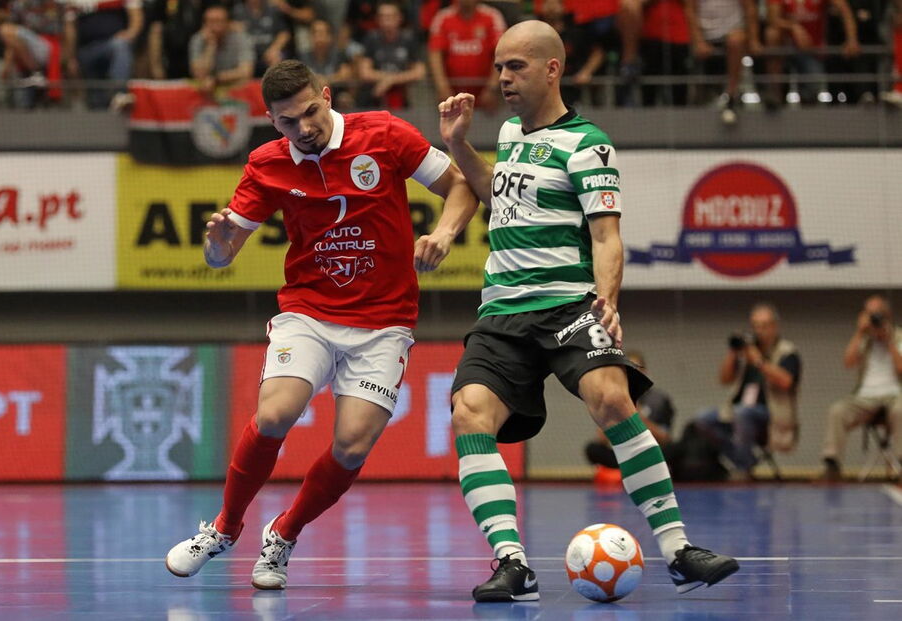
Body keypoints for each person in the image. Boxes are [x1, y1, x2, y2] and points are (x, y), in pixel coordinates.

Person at [438, 19, 739, 602]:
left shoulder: (587, 142)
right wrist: (456, 144)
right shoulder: (507, 134)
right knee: (469, 414)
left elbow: (606, 235)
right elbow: (492, 190)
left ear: (553, 69)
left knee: (610, 395)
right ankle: (512, 563)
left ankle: (678, 550)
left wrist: (608, 300)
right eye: (499, 66)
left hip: (567, 306)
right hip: (502, 313)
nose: (503, 77)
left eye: (516, 66)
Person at [164, 59, 478, 590]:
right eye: (288, 122)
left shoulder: (384, 133)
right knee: (274, 416)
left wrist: (445, 234)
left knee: (353, 446)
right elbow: (221, 256)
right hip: (309, 310)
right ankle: (224, 527)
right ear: (271, 120)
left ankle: (283, 534)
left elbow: (463, 186)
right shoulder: (266, 164)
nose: (304, 128)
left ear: (327, 96)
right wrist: (216, 245)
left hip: (384, 320)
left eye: (310, 112)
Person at [695, 303, 801, 480]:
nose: (760, 331)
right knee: (703, 418)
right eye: (756, 326)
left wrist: (759, 361)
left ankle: (742, 469)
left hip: (771, 414)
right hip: (738, 410)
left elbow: (786, 382)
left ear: (775, 326)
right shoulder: (746, 350)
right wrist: (733, 352)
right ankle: (744, 460)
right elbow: (724, 379)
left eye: (764, 326)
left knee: (743, 412)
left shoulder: (787, 351)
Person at [820, 295, 902, 481]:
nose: (873, 318)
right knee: (837, 411)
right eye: (869, 313)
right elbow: (848, 362)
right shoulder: (864, 339)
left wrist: (888, 339)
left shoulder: (899, 336)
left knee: (901, 410)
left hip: (895, 394)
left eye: (877, 314)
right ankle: (832, 465)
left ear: (887, 315)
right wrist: (859, 333)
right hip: (865, 397)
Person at [585, 350, 675, 469]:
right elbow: (601, 439)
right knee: (593, 449)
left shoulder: (659, 400)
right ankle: (630, 469)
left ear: (644, 371)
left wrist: (635, 416)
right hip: (623, 452)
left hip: (650, 452)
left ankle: (635, 468)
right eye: (628, 369)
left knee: (674, 449)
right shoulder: (611, 398)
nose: (632, 374)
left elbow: (665, 439)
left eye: (636, 368)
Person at [764, 0, 860, 107]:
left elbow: (845, 10)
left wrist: (852, 39)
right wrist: (793, 27)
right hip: (785, 47)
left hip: (812, 50)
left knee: (813, 88)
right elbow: (772, 19)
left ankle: (807, 109)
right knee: (772, 34)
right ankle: (774, 92)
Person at [683, 0, 761, 123]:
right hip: (706, 36)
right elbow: (690, 10)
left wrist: (753, 38)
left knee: (736, 40)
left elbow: (750, 8)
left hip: (733, 32)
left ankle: (732, 94)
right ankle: (700, 97)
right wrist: (698, 41)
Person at [428, 0, 506, 111]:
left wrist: (492, 88)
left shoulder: (492, 16)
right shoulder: (443, 18)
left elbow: (501, 53)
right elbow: (435, 53)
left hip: (486, 94)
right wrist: (442, 87)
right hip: (452, 94)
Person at [356, 0, 425, 109]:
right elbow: (365, 72)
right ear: (377, 19)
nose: (386, 20)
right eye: (382, 16)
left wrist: (390, 80)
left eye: (390, 16)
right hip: (373, 97)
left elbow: (419, 72)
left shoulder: (409, 39)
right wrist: (388, 79)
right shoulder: (371, 38)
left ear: (399, 18)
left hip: (402, 97)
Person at [189, 4, 255, 94]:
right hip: (207, 93)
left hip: (236, 91)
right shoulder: (198, 39)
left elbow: (246, 72)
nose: (215, 26)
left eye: (219, 21)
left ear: (228, 23)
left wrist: (216, 79)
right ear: (204, 24)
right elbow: (199, 75)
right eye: (211, 21)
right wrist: (210, 46)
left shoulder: (241, 38)